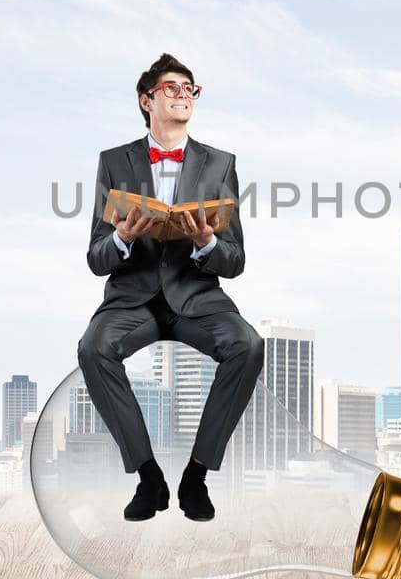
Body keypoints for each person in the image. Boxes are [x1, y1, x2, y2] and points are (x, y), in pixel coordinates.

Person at [76, 52, 264, 521]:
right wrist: (122, 236)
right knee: (93, 347)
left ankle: (196, 475)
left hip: (197, 297)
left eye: (190, 89)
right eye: (173, 88)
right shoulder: (113, 161)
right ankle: (149, 477)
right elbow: (96, 258)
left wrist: (205, 242)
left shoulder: (221, 163)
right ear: (147, 100)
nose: (184, 95)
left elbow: (235, 259)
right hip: (132, 300)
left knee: (248, 344)